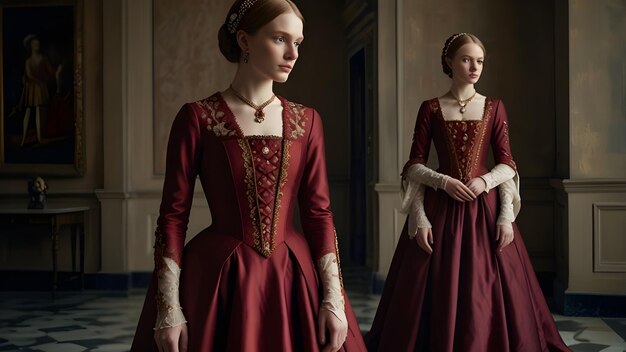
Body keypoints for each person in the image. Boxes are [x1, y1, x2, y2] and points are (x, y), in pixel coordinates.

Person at [131, 1, 367, 351]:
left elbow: (319, 215)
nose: (293, 53)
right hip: (218, 279)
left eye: (298, 42)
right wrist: (169, 307)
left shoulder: (309, 121)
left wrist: (332, 298)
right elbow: (172, 217)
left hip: (294, 278)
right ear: (244, 39)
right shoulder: (197, 118)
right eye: (279, 39)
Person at [364, 33, 571, 351]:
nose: (475, 67)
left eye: (480, 61)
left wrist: (490, 191)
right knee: (433, 288)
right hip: (440, 208)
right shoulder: (431, 109)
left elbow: (507, 164)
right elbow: (413, 166)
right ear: (449, 62)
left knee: (487, 288)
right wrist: (439, 189)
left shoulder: (494, 107)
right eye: (466, 59)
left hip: (484, 210)